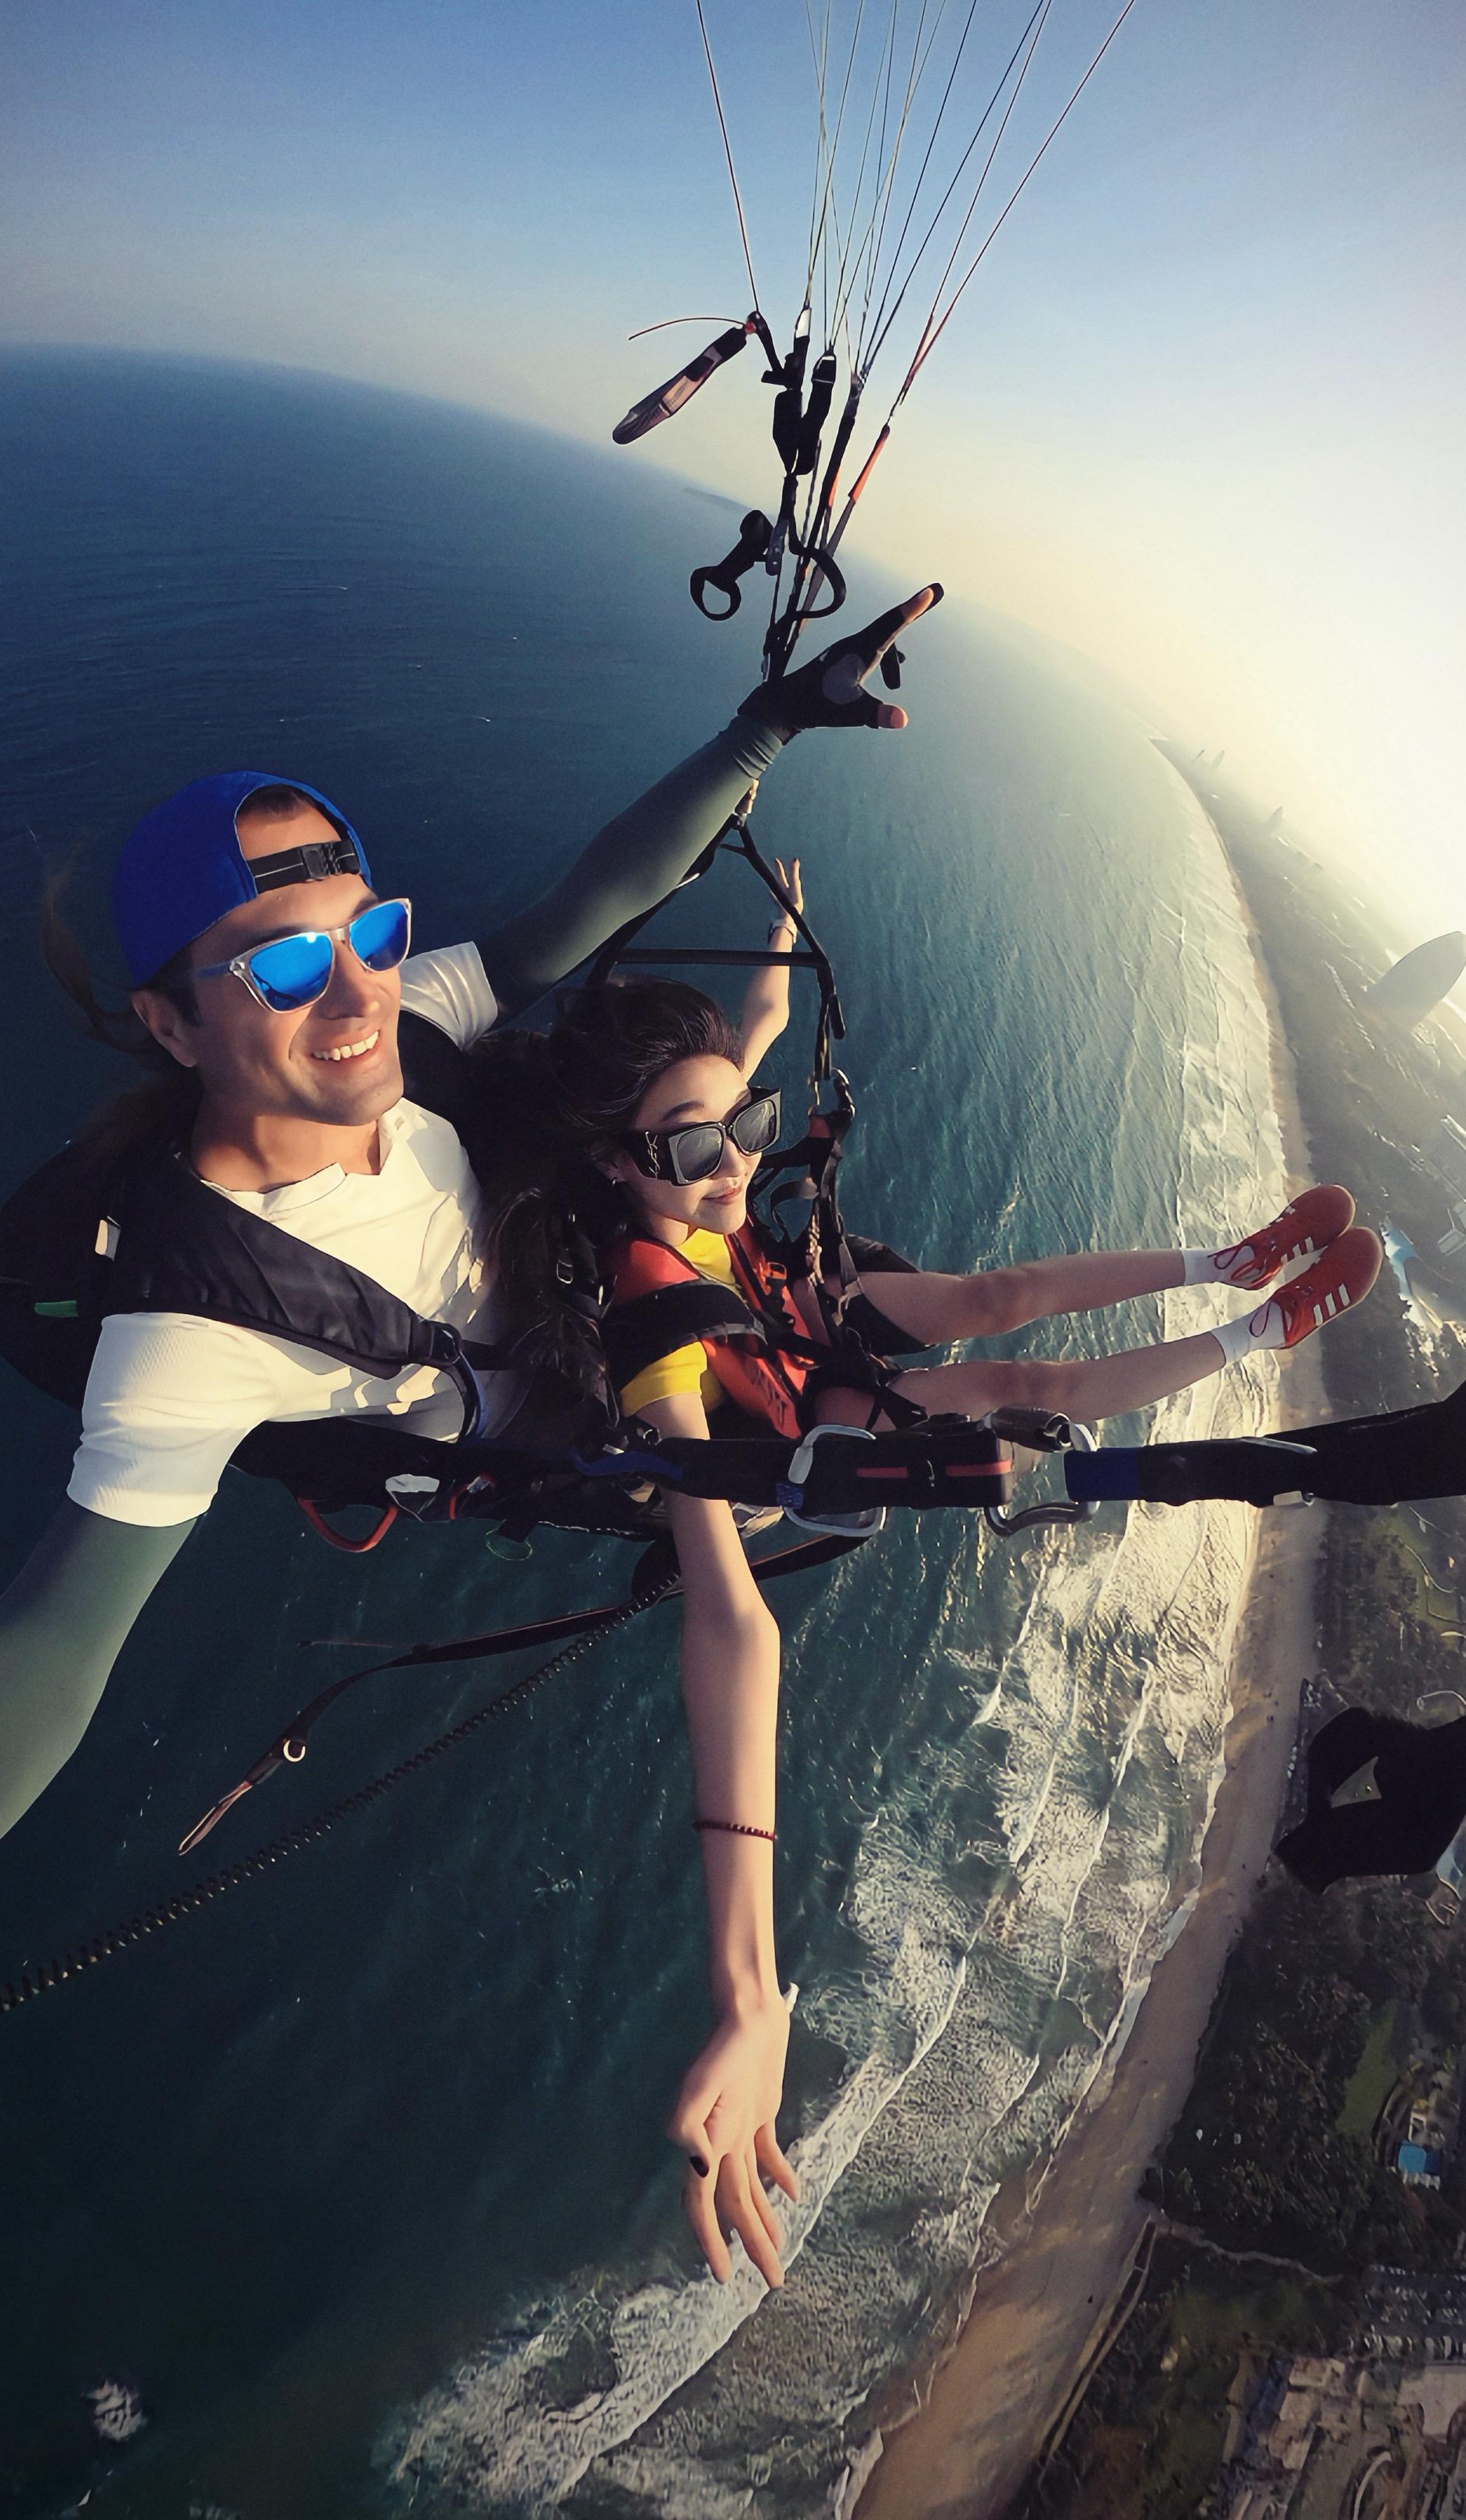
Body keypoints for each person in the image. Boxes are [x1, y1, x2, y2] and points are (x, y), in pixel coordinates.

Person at [0, 593, 938, 2125]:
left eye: (369, 936)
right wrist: (744, 1992)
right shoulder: (195, 1325)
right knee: (829, 1454)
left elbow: (590, 895)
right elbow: (40, 1658)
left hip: (578, 1249)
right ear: (171, 1028)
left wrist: (765, 727)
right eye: (281, 970)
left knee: (845, 1282)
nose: (359, 995)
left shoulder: (423, 1020)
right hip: (571, 1416)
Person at [480, 929, 1381, 2283]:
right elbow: (728, 1616)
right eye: (693, 1149)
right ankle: (1261, 1333)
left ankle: (1232, 1261)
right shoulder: (651, 1330)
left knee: (991, 1297)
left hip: (791, 1316)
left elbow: (751, 1038)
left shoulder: (704, 1174)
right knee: (1033, 1396)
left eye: (745, 1128)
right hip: (798, 1429)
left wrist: (774, 953)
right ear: (615, 1164)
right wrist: (747, 1991)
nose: (735, 1164)